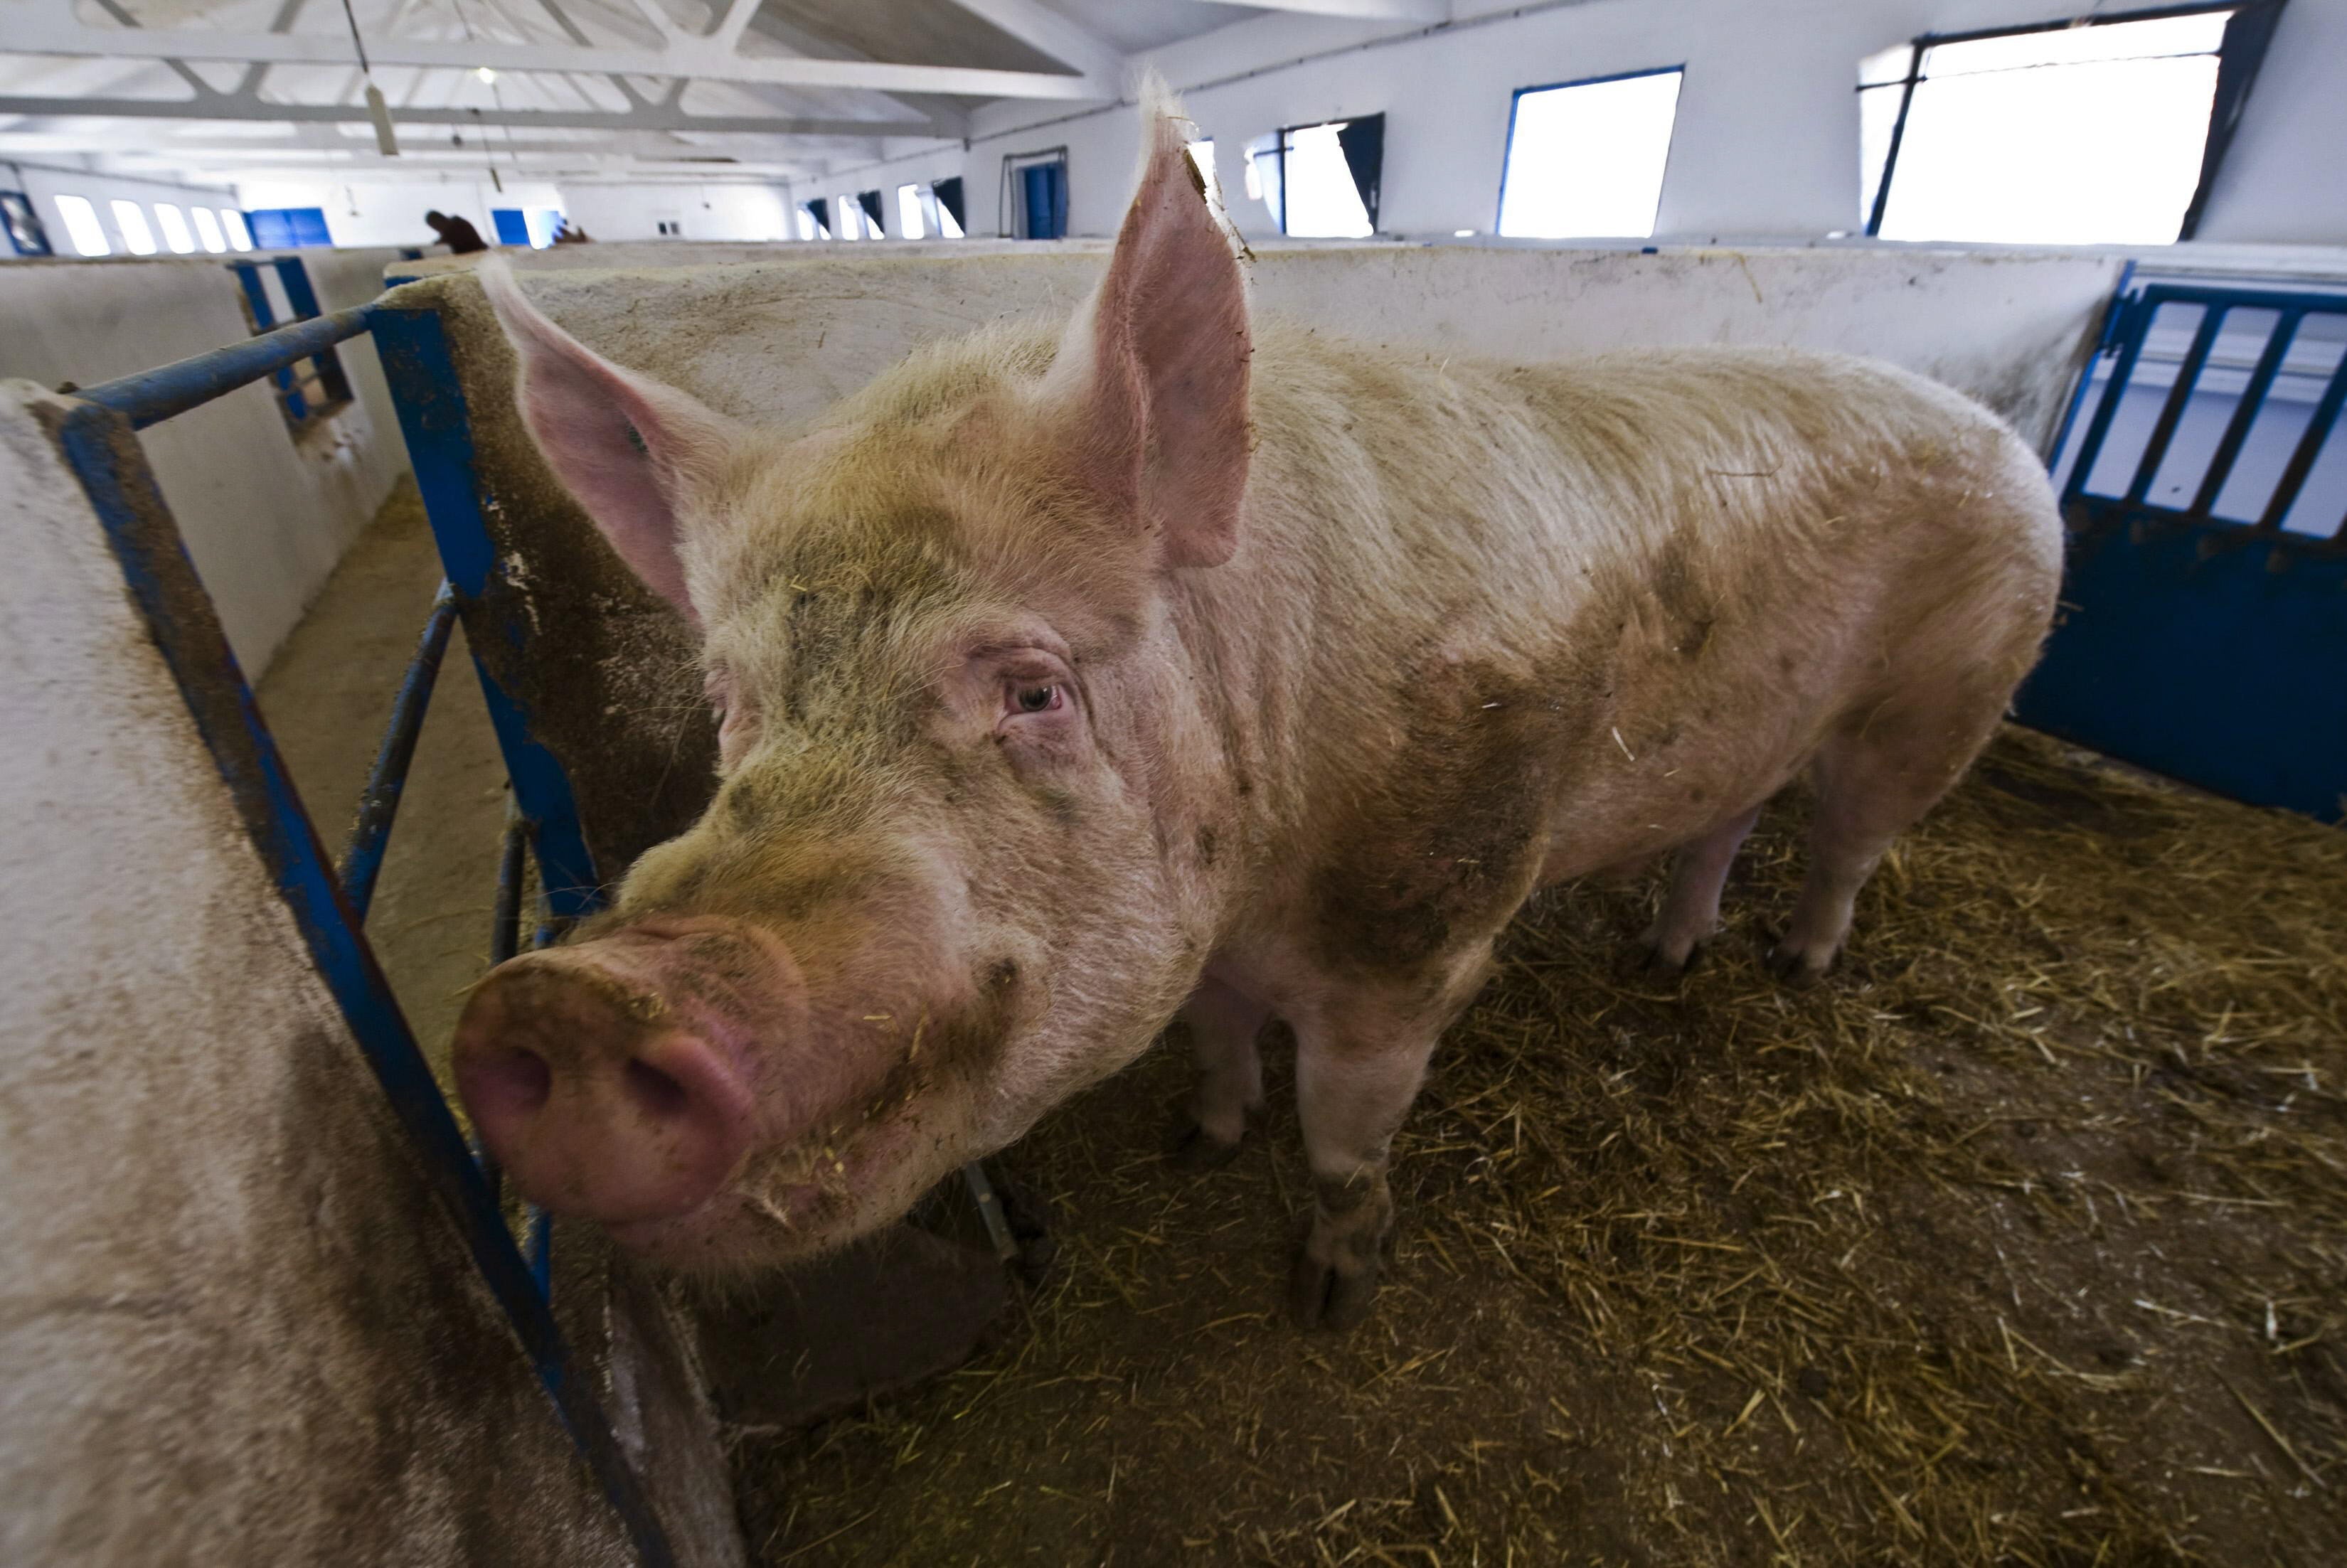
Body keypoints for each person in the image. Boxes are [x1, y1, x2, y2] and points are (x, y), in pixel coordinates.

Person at [424, 210, 489, 255]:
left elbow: (450, 243)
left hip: (481, 254)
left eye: (435, 226)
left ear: (440, 220)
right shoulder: (450, 228)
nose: (436, 229)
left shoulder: (458, 225)